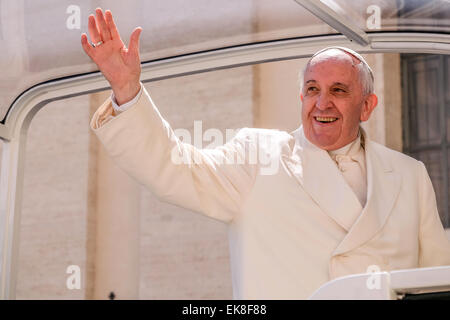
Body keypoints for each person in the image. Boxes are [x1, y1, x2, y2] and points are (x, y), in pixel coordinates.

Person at [82, 8, 450, 299]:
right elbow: (173, 166)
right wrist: (127, 89)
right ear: (301, 98)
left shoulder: (410, 175)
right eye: (311, 89)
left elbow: (437, 278)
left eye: (338, 90)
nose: (322, 103)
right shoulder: (257, 156)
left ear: (367, 106)